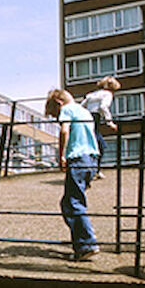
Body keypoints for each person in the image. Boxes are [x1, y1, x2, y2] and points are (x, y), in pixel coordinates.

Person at [46, 88, 100, 261]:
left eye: (55, 115)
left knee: (73, 202)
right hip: (91, 160)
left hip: (77, 159)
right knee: (69, 202)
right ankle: (80, 241)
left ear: (59, 104)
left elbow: (64, 131)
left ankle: (87, 244)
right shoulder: (85, 111)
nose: (57, 119)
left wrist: (61, 155)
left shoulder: (68, 110)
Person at [81, 76, 120, 180]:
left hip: (86, 118)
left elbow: (82, 106)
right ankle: (95, 171)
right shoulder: (107, 94)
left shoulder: (91, 94)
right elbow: (103, 107)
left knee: (91, 144)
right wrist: (110, 122)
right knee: (100, 145)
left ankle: (92, 170)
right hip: (95, 118)